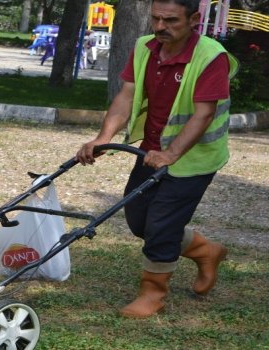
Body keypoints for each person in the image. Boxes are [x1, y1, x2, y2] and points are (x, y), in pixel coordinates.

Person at [76, 0, 238, 318]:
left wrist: (172, 154)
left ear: (194, 19)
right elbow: (126, 95)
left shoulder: (210, 56)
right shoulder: (144, 47)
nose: (160, 26)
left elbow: (204, 113)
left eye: (171, 20)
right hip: (151, 152)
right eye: (156, 18)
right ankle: (206, 251)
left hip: (194, 158)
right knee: (139, 221)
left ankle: (153, 293)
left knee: (162, 224)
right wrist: (103, 137)